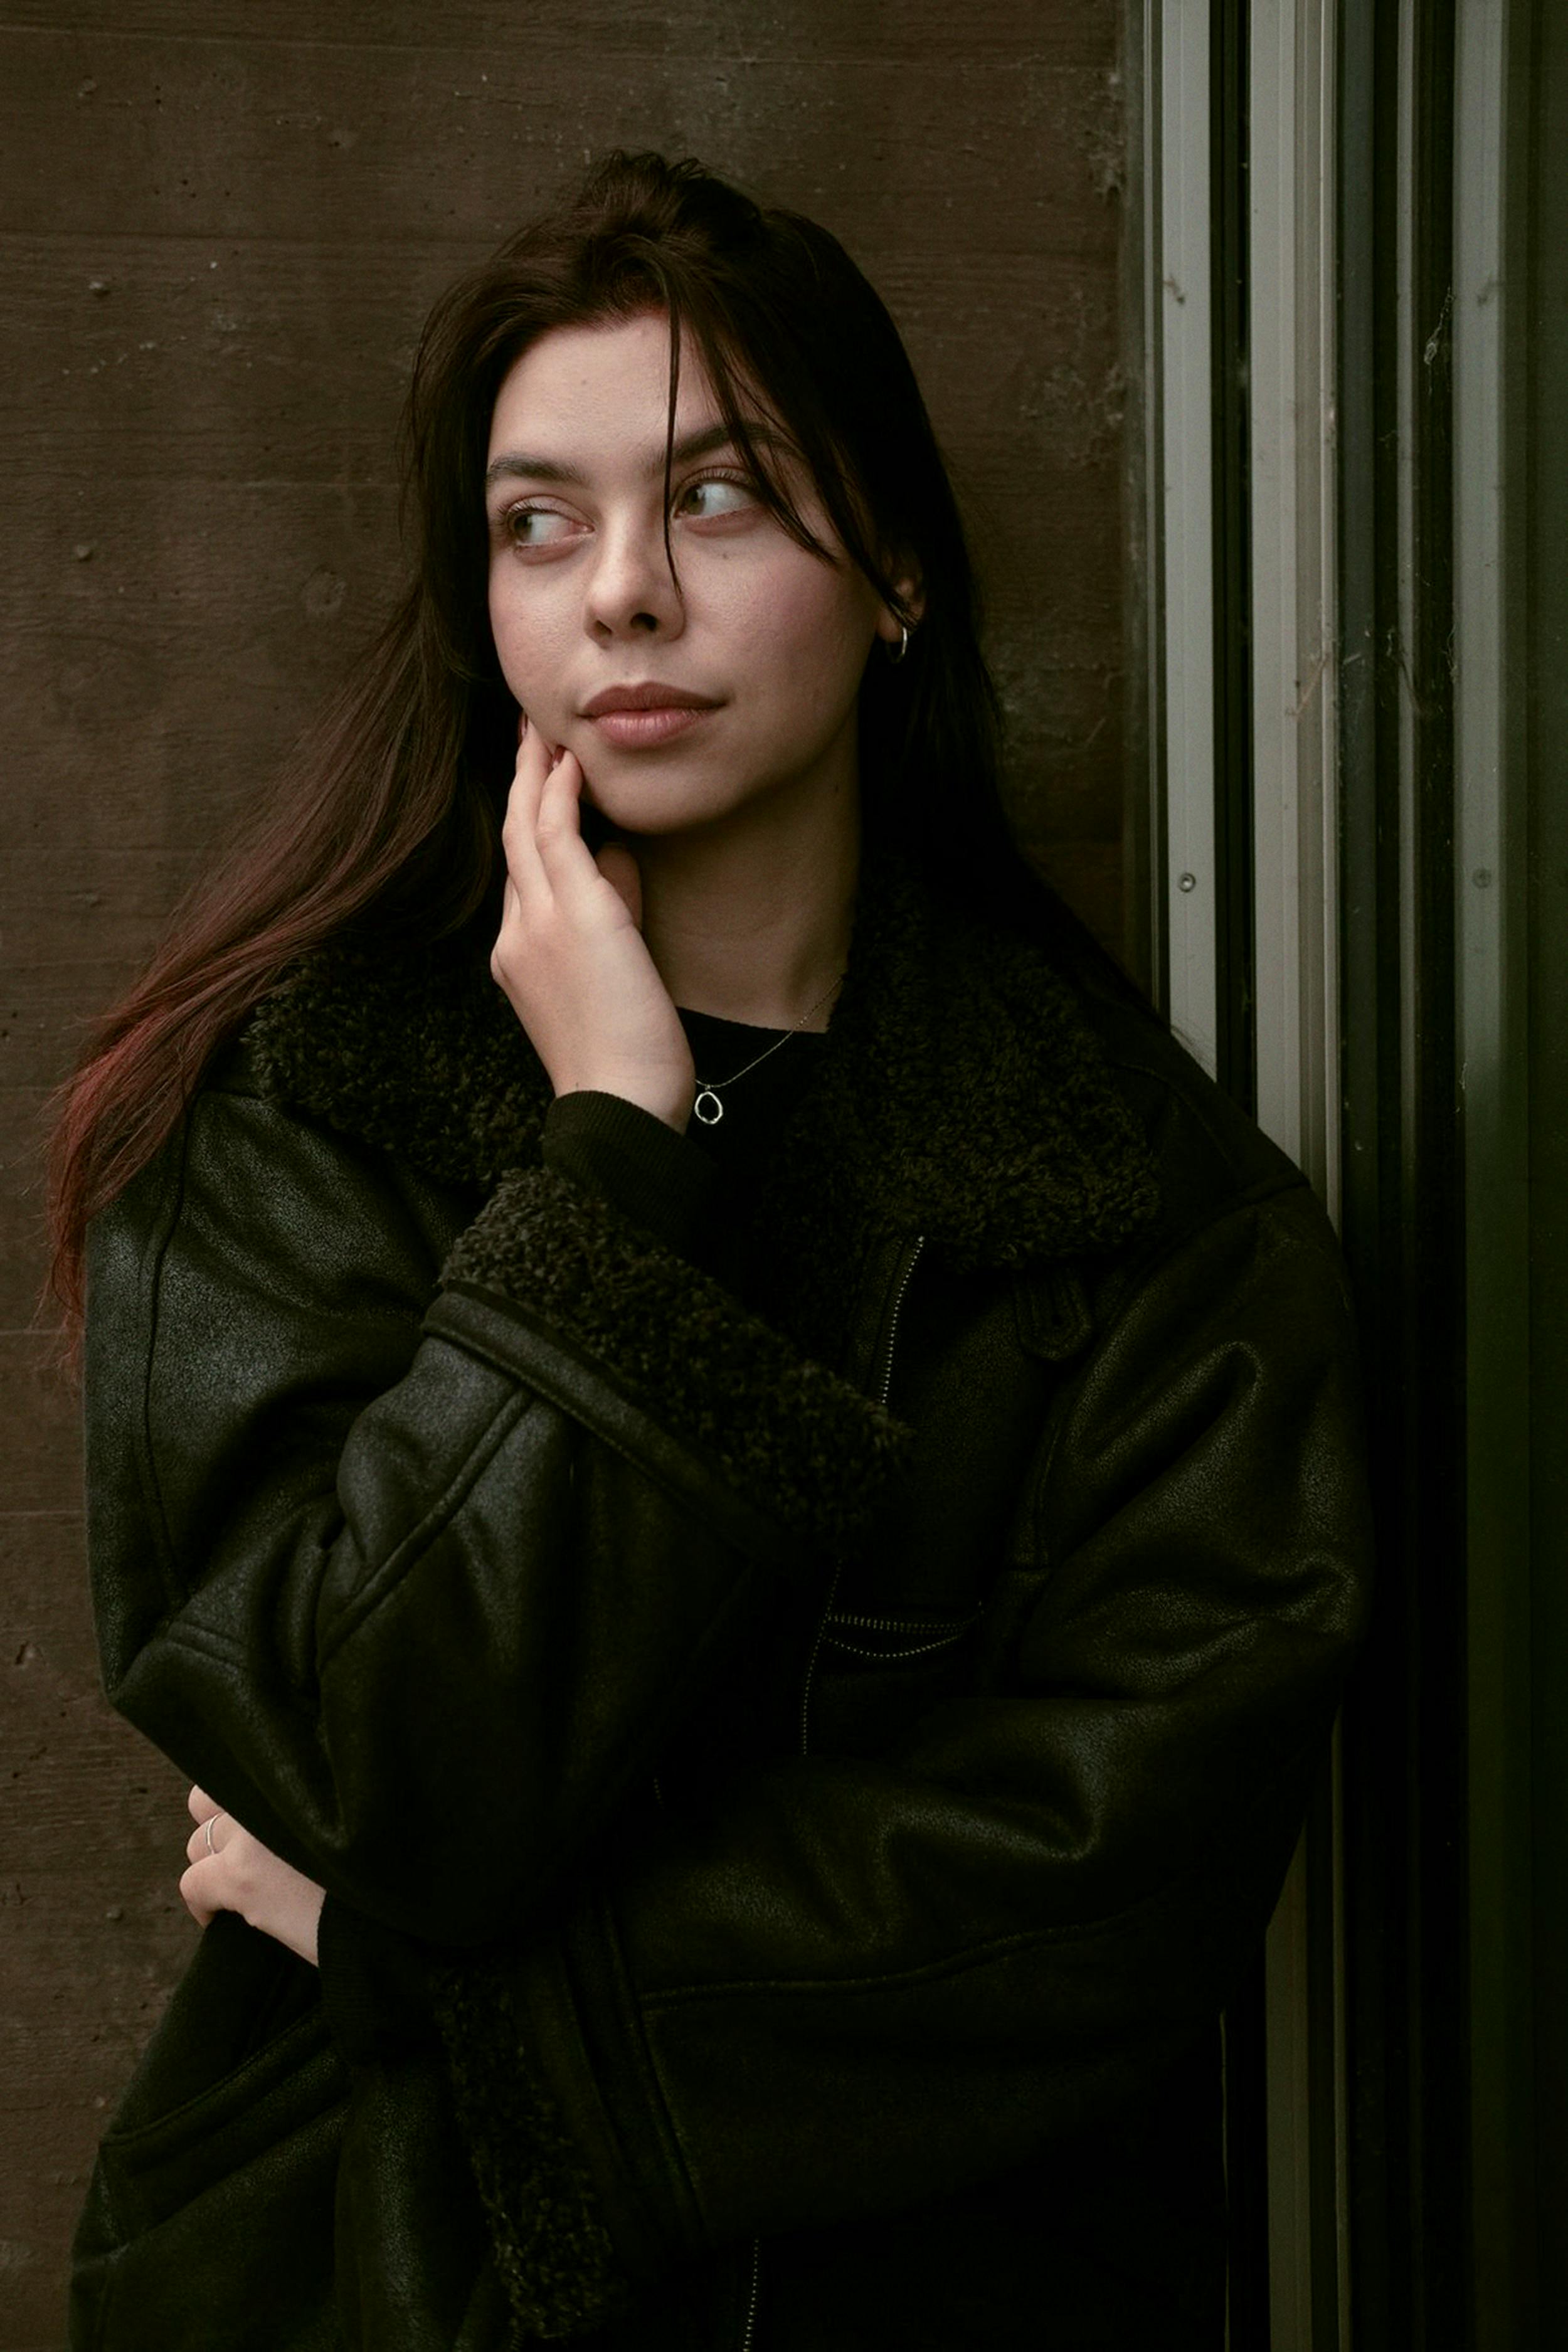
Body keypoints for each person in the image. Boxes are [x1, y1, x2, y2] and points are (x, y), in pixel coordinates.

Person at [51, 151, 1371, 2351]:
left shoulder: (1139, 1211)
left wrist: (440, 1965)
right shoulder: (305, 1113)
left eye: (723, 497)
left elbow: (1098, 1893)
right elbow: (350, 1761)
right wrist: (605, 1161)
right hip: (354, 2277)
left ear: (903, 573)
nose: (621, 598)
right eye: (537, 521)